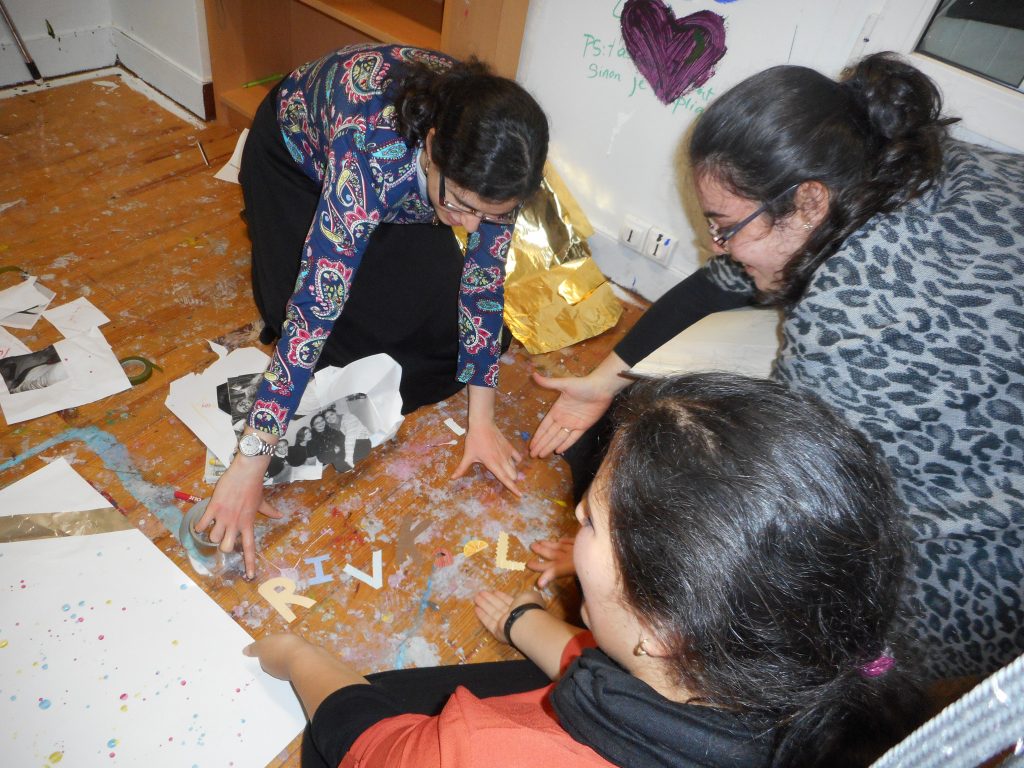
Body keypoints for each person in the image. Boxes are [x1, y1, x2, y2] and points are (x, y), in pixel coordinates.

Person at [529, 52, 1024, 680]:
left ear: (809, 201)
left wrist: (613, 561)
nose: (717, 245)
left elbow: (762, 513)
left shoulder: (849, 326)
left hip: (973, 575)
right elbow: (726, 276)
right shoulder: (912, 158)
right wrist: (605, 380)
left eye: (725, 226)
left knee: (789, 653)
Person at [245, 374, 920, 768]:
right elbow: (628, 680)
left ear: (662, 628)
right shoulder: (792, 680)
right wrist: (524, 621)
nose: (573, 518)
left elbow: (371, 747)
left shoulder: (482, 750)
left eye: (592, 520)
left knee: (355, 713)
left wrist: (300, 657)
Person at [201, 44, 549, 578]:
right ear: (431, 146)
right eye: (463, 205)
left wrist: (481, 422)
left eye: (492, 214)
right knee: (334, 342)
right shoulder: (368, 154)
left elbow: (482, 286)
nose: (473, 227)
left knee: (445, 333)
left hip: (408, 188)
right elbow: (312, 314)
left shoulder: (492, 166)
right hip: (298, 165)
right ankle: (301, 232)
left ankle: (389, 222)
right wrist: (250, 464)